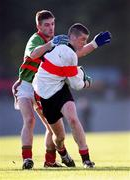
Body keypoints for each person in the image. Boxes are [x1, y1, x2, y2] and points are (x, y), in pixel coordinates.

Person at [32, 23, 111, 168]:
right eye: (83, 40)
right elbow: (77, 85)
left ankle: (86, 159)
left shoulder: (64, 46)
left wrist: (94, 43)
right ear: (72, 38)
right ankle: (63, 154)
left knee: (74, 120)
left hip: (60, 88)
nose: (84, 43)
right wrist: (86, 82)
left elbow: (77, 53)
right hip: (43, 94)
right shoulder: (66, 52)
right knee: (59, 137)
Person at [12, 10, 75, 169]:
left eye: (52, 24)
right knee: (29, 120)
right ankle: (27, 159)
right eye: (46, 25)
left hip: (43, 88)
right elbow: (33, 55)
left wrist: (92, 45)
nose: (51, 27)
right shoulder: (36, 39)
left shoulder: (57, 41)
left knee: (53, 128)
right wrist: (50, 44)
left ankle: (51, 160)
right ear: (38, 26)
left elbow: (73, 55)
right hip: (26, 86)